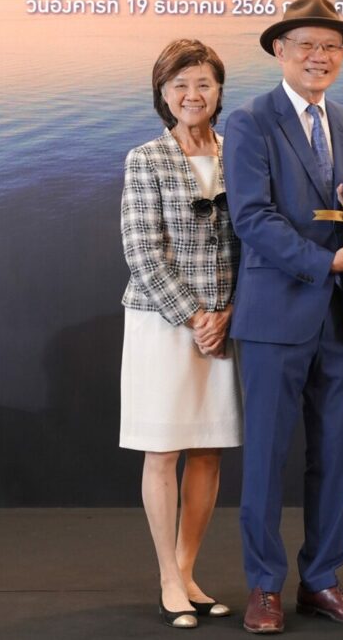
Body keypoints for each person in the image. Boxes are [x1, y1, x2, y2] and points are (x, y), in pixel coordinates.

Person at [224, 0, 343, 633]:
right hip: (276, 316)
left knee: (335, 456)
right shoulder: (250, 121)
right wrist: (326, 263)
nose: (319, 56)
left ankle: (321, 581)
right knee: (266, 459)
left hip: (342, 317)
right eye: (307, 45)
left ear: (342, 55)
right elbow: (252, 219)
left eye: (331, 47)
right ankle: (264, 586)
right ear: (280, 50)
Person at [120, 39, 243, 629]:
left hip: (225, 323)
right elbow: (142, 253)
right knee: (164, 450)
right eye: (180, 85)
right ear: (162, 93)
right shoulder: (145, 158)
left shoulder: (239, 154)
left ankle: (189, 570)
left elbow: (252, 241)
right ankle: (168, 577)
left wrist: (228, 313)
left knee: (208, 449)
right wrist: (196, 317)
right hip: (165, 323)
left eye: (203, 84)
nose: (193, 95)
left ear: (219, 91)